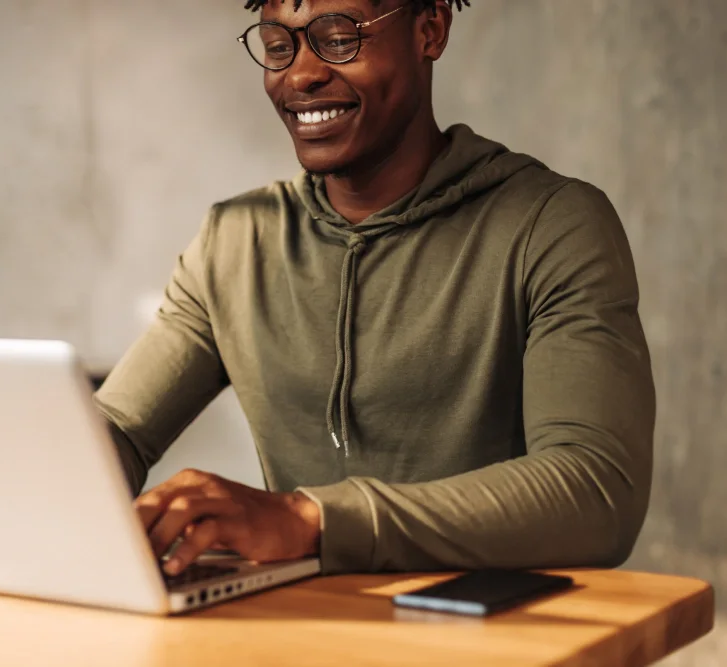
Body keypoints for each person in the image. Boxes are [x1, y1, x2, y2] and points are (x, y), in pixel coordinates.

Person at [94, 0, 655, 577]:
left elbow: (595, 492)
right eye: (278, 44)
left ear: (429, 30)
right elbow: (115, 432)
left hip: (492, 640)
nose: (301, 73)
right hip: (307, 635)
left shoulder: (551, 224)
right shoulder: (235, 240)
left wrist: (310, 518)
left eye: (339, 38)